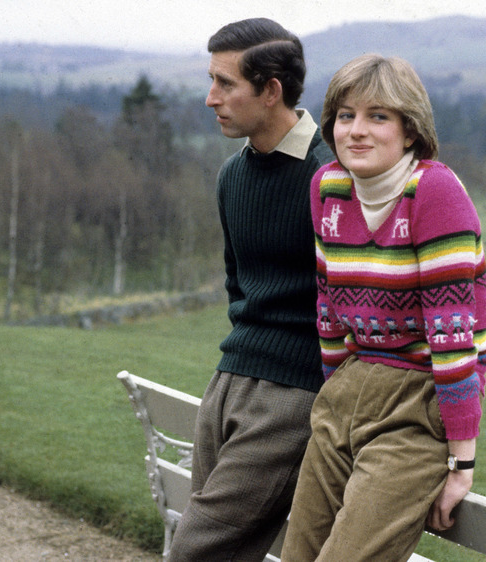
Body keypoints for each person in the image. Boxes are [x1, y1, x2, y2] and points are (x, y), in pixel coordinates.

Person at [280, 54, 486, 561]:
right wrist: (335, 396)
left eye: (378, 116)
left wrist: (461, 462)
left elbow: (453, 339)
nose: (356, 130)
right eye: (346, 114)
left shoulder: (434, 192)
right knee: (299, 555)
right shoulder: (328, 188)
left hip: (417, 401)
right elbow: (329, 307)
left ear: (411, 129)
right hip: (348, 389)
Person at [167, 18, 334, 562]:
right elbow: (238, 283)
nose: (210, 98)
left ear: (270, 91)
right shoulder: (231, 176)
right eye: (210, 80)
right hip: (228, 379)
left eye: (225, 83)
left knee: (196, 548)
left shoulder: (330, 178)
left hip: (295, 393)